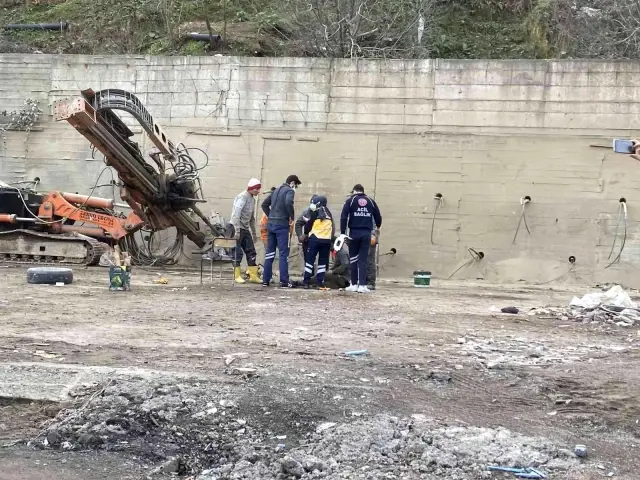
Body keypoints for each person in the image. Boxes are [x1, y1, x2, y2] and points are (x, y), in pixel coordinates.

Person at [340, 184, 382, 293]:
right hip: (366, 233)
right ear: (363, 191)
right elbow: (378, 216)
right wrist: (377, 226)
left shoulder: (351, 201)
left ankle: (353, 284)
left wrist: (343, 232)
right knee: (362, 260)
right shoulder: (371, 201)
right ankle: (362, 285)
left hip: (354, 233)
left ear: (354, 191)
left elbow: (343, 216)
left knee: (353, 259)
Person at [261, 174, 302, 287]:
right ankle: (284, 280)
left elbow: (264, 204)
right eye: (296, 185)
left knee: (270, 253)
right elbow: (289, 202)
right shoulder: (289, 191)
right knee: (284, 253)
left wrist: (271, 216)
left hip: (271, 225)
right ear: (293, 183)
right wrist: (291, 217)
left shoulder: (276, 190)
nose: (295, 188)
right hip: (282, 225)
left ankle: (266, 279)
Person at [229, 178, 262, 284]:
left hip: (245, 228)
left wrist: (254, 232)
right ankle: (237, 275)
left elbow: (251, 218)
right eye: (257, 189)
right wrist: (237, 231)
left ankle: (253, 275)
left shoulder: (252, 199)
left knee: (251, 251)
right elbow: (236, 215)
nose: (258, 191)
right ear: (252, 188)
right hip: (236, 228)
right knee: (237, 252)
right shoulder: (242, 197)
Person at [302, 195, 334, 289]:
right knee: (322, 263)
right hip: (326, 241)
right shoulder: (329, 214)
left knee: (309, 261)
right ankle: (320, 282)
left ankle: (306, 282)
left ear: (318, 203)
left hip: (315, 240)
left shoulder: (314, 213)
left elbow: (308, 226)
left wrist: (305, 233)